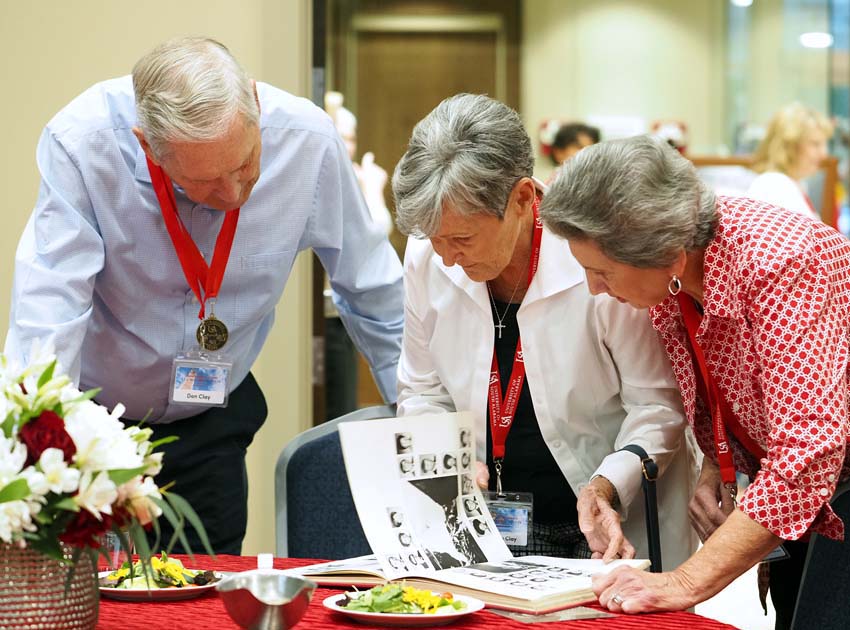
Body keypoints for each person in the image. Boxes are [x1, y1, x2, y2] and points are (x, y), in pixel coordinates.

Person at [5, 36, 404, 554]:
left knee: (206, 594)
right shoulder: (83, 144)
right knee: (93, 596)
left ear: (256, 111)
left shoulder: (307, 141)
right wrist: (40, 446)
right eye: (204, 182)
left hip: (212, 427)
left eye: (245, 164)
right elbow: (48, 311)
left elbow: (373, 289)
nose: (234, 193)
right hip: (95, 429)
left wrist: (419, 414)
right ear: (149, 146)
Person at [540, 134, 850, 629]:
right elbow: (739, 380)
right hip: (812, 504)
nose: (595, 289)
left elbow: (809, 449)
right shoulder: (679, 265)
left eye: (601, 272)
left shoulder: (784, 262)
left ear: (670, 256)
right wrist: (717, 465)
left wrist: (684, 582)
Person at [392, 94, 696, 566]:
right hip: (488, 520)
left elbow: (657, 405)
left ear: (522, 199)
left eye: (462, 239)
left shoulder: (598, 254)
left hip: (607, 519)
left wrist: (608, 483)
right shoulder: (427, 256)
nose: (448, 257)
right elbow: (422, 390)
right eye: (435, 240)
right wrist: (446, 459)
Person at [747, 103, 833, 219]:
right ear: (789, 146)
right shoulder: (773, 186)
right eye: (815, 144)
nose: (824, 154)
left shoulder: (796, 184)